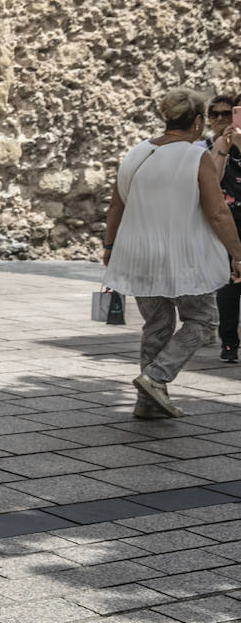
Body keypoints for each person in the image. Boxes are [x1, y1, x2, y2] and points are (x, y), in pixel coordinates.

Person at [104, 89, 241, 417]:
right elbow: (218, 212)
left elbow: (116, 205)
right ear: (197, 121)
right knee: (203, 320)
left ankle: (147, 404)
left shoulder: (136, 153)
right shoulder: (196, 157)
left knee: (157, 324)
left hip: (139, 254)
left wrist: (109, 247)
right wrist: (237, 254)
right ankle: (156, 376)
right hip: (183, 256)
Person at [206, 96, 241, 362]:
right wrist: (224, 148)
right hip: (230, 222)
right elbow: (212, 182)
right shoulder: (211, 145)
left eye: (228, 114)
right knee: (230, 284)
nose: (222, 119)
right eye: (215, 114)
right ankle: (228, 341)